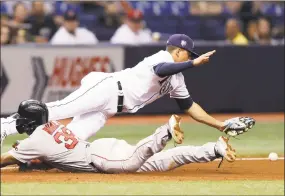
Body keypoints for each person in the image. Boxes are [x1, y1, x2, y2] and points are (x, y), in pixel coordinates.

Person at [1, 34, 255, 145]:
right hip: (108, 88)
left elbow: (191, 109)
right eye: (188, 54)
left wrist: (221, 125)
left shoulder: (178, 80)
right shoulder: (160, 59)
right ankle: (5, 127)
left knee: (73, 138)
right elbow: (161, 70)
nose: (191, 57)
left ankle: (33, 155)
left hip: (110, 108)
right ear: (178, 51)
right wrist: (194, 63)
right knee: (56, 110)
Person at [1, 101, 239, 173]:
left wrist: (20, 157)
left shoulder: (34, 142)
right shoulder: (50, 127)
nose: (19, 122)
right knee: (163, 163)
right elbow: (50, 160)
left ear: (29, 121)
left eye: (21, 118)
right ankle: (213, 149)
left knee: (132, 163)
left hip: (100, 157)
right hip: (101, 150)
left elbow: (4, 160)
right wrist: (29, 161)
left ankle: (165, 130)